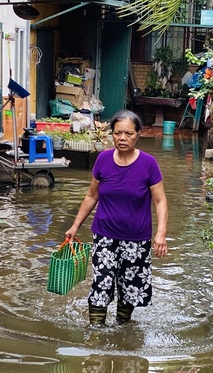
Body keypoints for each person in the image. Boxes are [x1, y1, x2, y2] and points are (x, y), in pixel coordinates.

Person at [65, 110, 168, 326]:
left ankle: (122, 328)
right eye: (118, 133)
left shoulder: (148, 164)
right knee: (101, 283)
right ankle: (96, 333)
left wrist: (161, 234)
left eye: (128, 133)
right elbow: (92, 195)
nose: (122, 138)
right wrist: (75, 226)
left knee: (130, 287)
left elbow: (160, 201)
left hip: (136, 239)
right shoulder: (103, 159)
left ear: (138, 134)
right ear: (112, 134)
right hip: (104, 235)